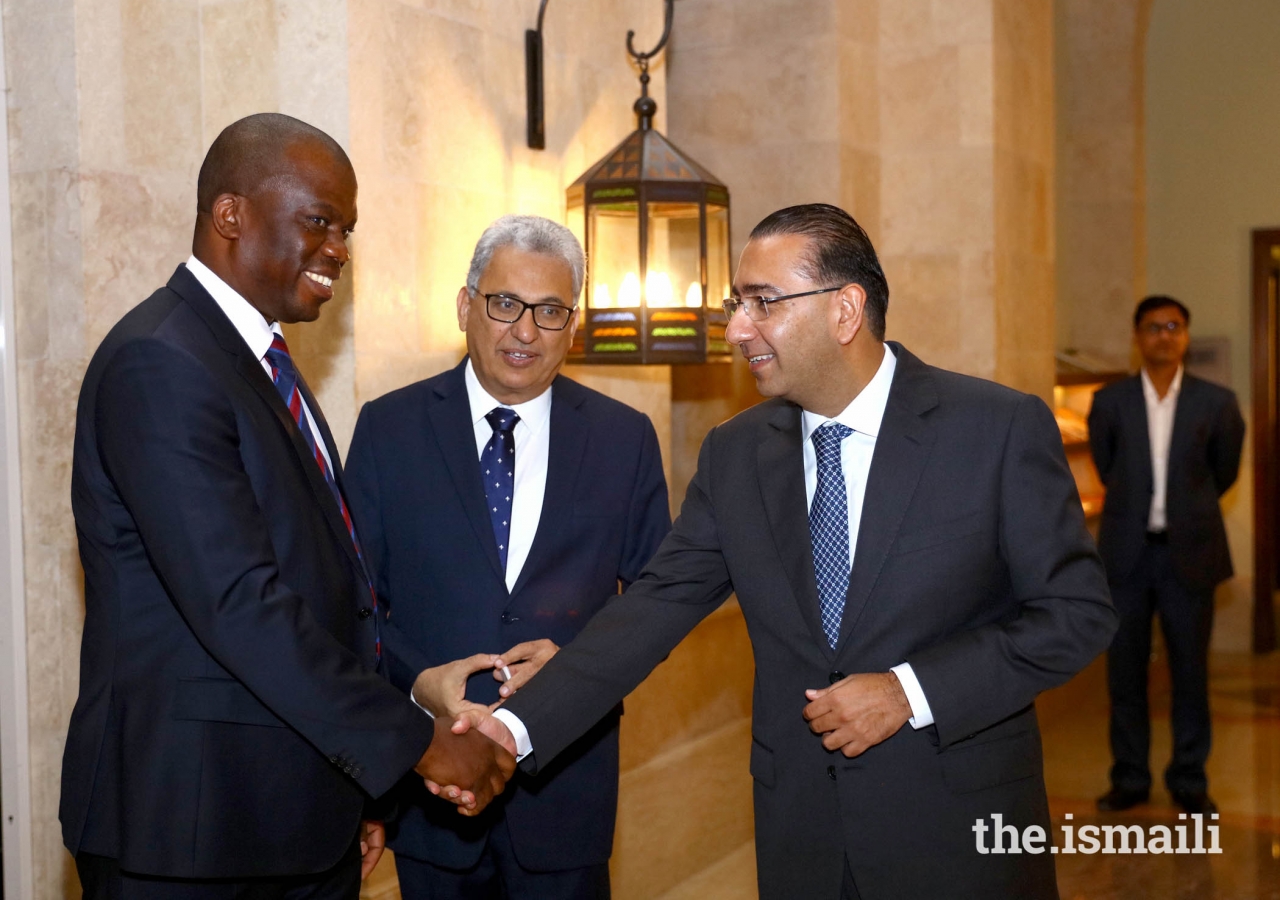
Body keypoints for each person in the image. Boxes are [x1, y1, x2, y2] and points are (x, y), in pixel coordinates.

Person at [465, 203, 1118, 899]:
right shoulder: (736, 454)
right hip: (802, 832)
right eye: (736, 305)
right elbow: (655, 605)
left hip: (957, 829)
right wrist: (511, 729)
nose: (737, 329)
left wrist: (910, 690)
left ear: (845, 311)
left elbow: (1077, 615)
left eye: (762, 304)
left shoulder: (995, 429)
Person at [61, 113, 514, 900]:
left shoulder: (262, 361)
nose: (339, 247)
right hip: (192, 831)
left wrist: (356, 789)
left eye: (347, 228)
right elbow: (240, 603)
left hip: (294, 812)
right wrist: (416, 747)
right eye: (319, 219)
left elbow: (328, 589)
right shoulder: (160, 361)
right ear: (230, 215)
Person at [343, 215, 670, 899]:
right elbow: (352, 600)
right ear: (467, 306)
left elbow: (655, 606)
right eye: (505, 304)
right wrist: (419, 682)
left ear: (572, 326)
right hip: (432, 782)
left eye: (550, 311)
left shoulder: (624, 440)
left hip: (565, 790)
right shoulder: (389, 429)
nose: (525, 331)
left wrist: (575, 670)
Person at [1089, 295, 1244, 816]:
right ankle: (1129, 778)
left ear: (1186, 336)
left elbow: (1225, 472)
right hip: (1127, 559)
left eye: (1174, 326)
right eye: (1153, 327)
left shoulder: (1217, 402)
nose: (1164, 335)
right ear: (1138, 335)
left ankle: (1189, 779)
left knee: (1190, 675)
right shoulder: (1110, 401)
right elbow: (1108, 469)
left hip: (1190, 558)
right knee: (1125, 675)